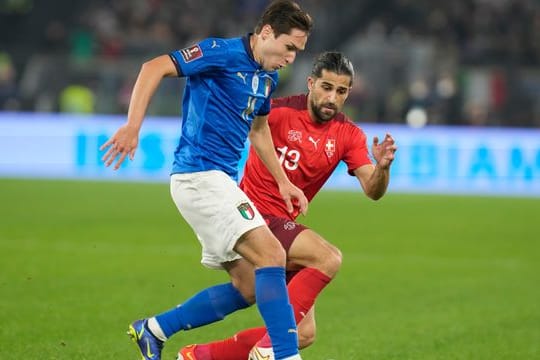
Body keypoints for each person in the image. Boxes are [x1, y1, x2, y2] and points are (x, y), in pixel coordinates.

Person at [100, 1, 313, 360]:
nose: (291, 58)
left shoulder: (267, 77)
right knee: (272, 255)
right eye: (289, 47)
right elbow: (152, 68)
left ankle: (153, 330)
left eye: (298, 51)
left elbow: (259, 132)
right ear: (265, 33)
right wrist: (133, 126)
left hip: (222, 182)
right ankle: (286, 354)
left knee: (247, 286)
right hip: (198, 175)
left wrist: (283, 182)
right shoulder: (218, 52)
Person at [176, 51, 397, 360]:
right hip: (253, 216)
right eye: (326, 87)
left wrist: (382, 167)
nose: (332, 97)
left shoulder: (348, 135)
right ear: (311, 83)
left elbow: (373, 191)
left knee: (304, 334)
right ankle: (270, 350)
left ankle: (199, 355)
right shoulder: (277, 113)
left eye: (341, 91)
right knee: (328, 257)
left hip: (284, 225)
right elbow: (249, 129)